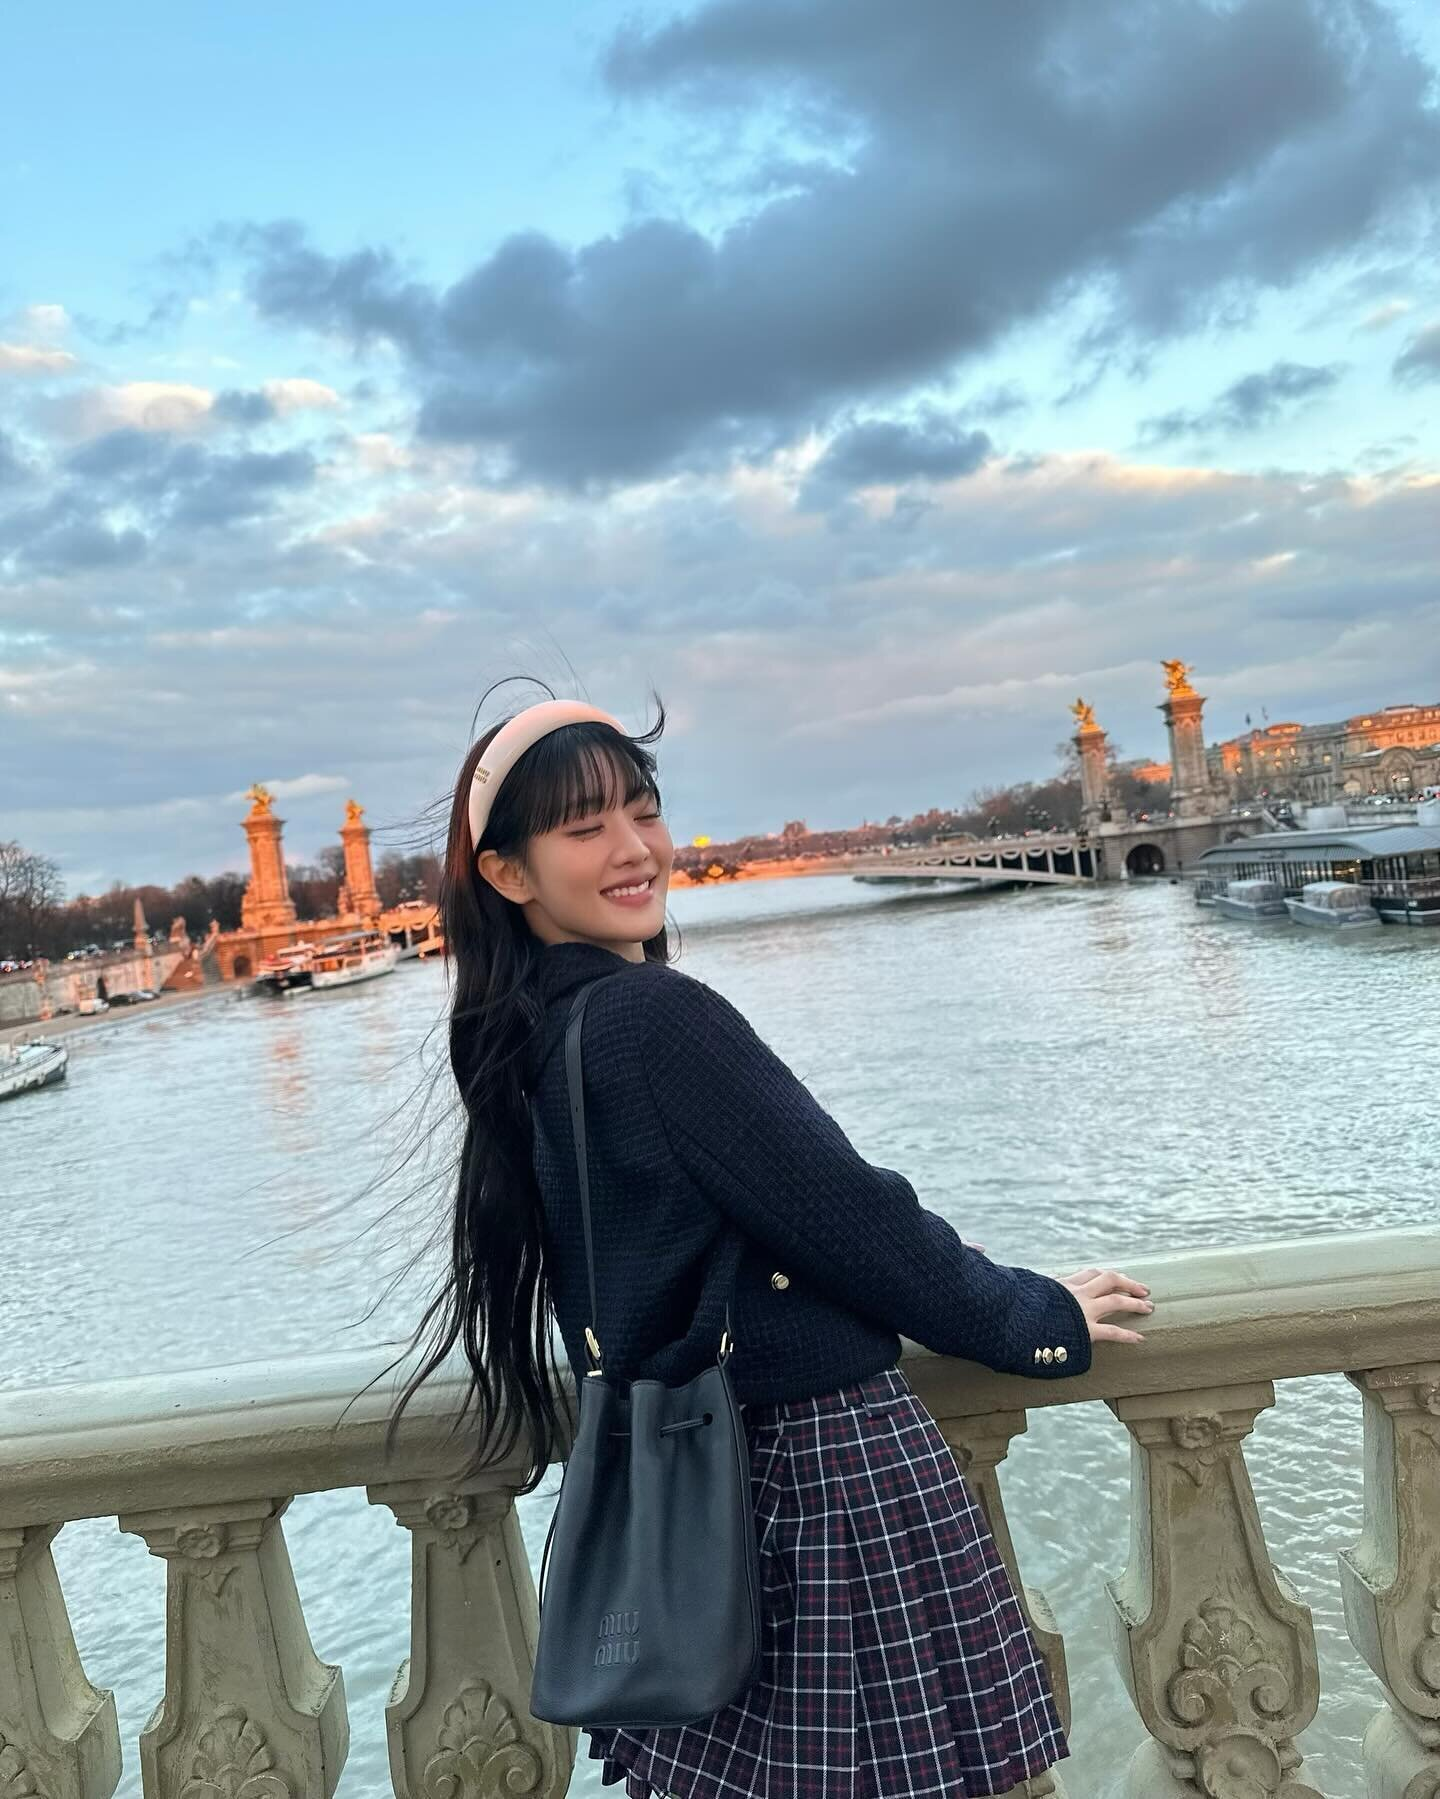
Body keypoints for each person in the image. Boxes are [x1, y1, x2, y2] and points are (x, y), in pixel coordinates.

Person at [392, 691, 1153, 1799]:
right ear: (509, 873)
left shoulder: (534, 1037)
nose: (634, 847)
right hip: (818, 1479)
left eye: (644, 810)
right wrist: (1031, 1315)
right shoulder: (654, 1018)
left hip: (697, 1499)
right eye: (586, 826)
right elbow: (851, 1214)